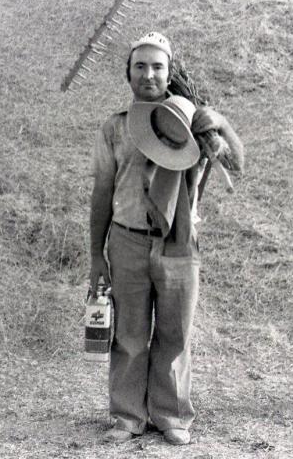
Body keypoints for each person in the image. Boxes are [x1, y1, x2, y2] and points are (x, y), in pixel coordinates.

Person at [88, 31, 241, 446]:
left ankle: (171, 415)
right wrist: (97, 256)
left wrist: (221, 123)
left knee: (175, 334)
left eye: (157, 67)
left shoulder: (193, 124)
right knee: (129, 335)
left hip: (179, 243)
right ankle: (127, 416)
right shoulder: (115, 127)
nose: (149, 75)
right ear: (128, 74)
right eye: (140, 66)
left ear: (170, 74)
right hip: (127, 240)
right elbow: (102, 191)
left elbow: (237, 165)